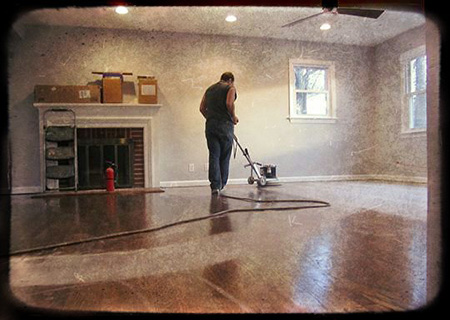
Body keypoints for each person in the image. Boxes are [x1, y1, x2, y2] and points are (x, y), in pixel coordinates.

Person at [200, 72, 239, 195]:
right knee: (225, 156)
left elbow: (201, 108)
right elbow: (229, 103)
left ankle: (215, 186)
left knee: (214, 155)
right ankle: (222, 184)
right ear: (230, 80)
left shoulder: (209, 89)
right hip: (225, 126)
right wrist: (233, 117)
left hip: (210, 126)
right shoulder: (230, 88)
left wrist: (210, 118)